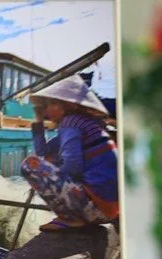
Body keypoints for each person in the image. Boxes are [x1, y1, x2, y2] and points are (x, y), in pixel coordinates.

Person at [20, 75, 119, 232]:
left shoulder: (70, 123)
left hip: (96, 208)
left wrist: (51, 184)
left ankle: (71, 217)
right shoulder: (84, 122)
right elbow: (43, 153)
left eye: (52, 104)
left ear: (67, 106)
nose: (46, 110)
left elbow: (73, 167)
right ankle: (76, 214)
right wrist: (38, 120)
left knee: (29, 164)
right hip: (109, 211)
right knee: (49, 160)